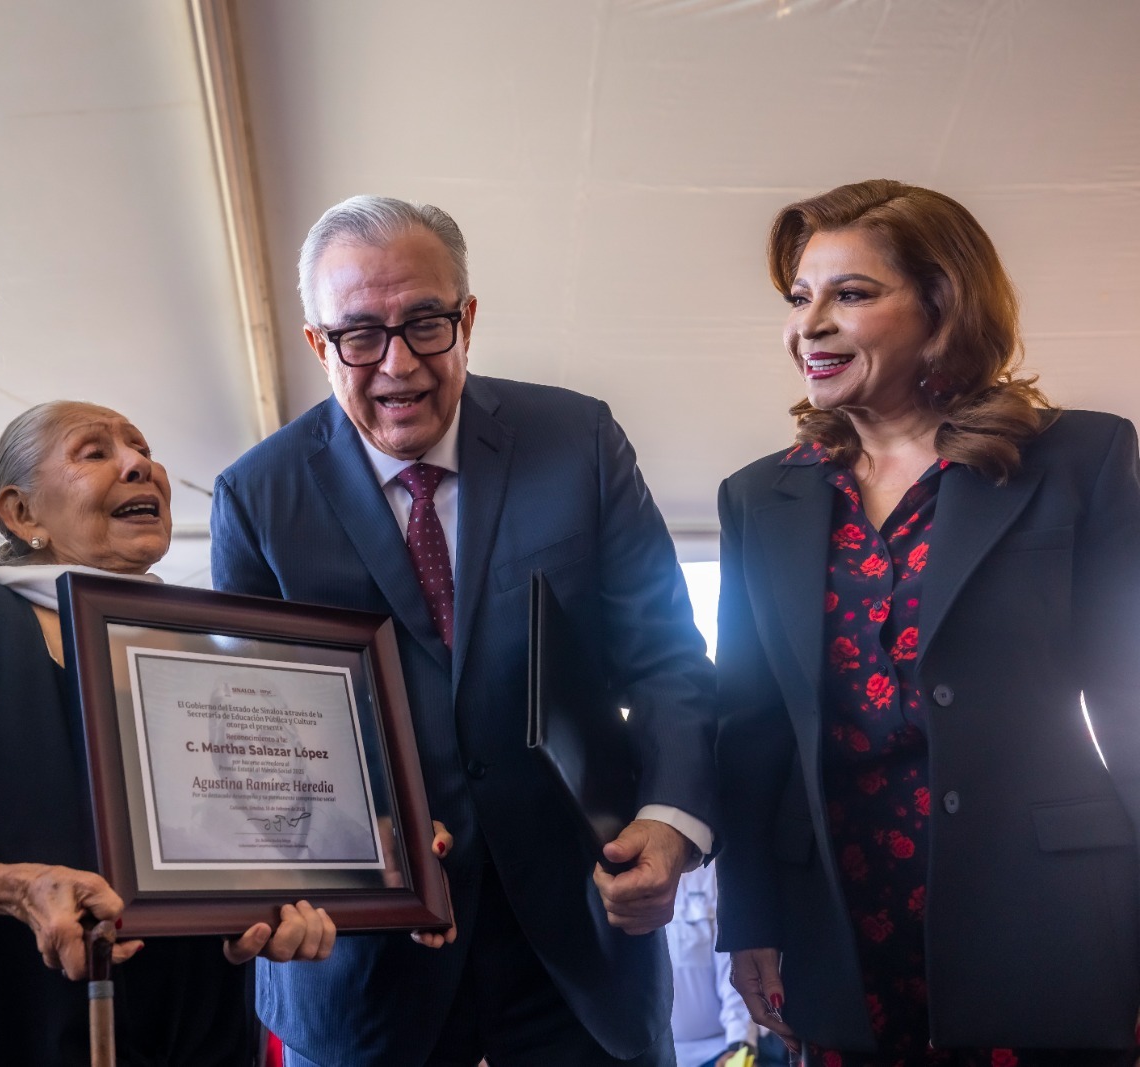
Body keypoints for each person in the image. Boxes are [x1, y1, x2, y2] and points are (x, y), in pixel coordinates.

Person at [211, 195, 718, 1066]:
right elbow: (259, 735)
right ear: (315, 344)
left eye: (426, 323)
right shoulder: (256, 496)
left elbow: (668, 660)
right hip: (370, 967)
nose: (397, 364)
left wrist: (671, 822)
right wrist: (363, 846)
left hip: (579, 944)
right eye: (360, 335)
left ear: (469, 317)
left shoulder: (579, 440)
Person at [713, 179, 1140, 1065]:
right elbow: (749, 728)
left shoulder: (1078, 460)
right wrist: (747, 918)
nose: (810, 323)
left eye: (852, 294)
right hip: (838, 912)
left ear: (943, 305)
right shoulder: (761, 496)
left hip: (1046, 911)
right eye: (799, 298)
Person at [0, 400, 341, 1067]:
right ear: (22, 513)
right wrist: (17, 889)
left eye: (141, 447)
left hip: (195, 1029)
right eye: (94, 451)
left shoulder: (204, 653)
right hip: (14, 1024)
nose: (139, 463)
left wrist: (268, 907)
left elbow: (245, 842)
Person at [668, 865, 756, 1067]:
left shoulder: (718, 874)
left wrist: (739, 1045)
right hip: (647, 1052)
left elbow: (734, 969)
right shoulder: (613, 874)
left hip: (717, 1050)